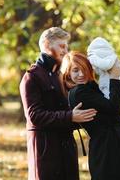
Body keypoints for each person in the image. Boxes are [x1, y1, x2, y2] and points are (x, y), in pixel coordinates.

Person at [19, 27, 97, 180]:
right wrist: (70, 117)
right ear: (47, 45)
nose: (65, 50)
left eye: (66, 46)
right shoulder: (31, 77)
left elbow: (70, 109)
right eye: (62, 46)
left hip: (66, 148)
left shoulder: (60, 76)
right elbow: (34, 116)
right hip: (45, 150)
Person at [60, 51, 120, 180]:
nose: (81, 74)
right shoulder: (80, 92)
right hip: (107, 146)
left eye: (84, 69)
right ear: (68, 73)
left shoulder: (88, 88)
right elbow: (114, 108)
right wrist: (115, 78)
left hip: (109, 142)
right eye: (75, 70)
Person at [87, 37, 120, 115]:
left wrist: (92, 58)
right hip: (114, 92)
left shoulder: (111, 58)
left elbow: (105, 65)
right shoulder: (109, 61)